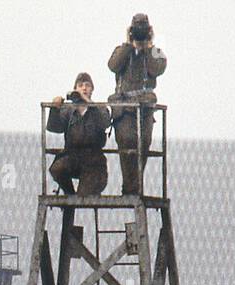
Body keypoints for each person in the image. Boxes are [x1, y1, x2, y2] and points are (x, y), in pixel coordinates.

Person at [108, 13, 167, 195]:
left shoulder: (155, 51)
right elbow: (113, 65)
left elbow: (158, 68)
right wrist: (128, 44)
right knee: (126, 143)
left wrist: (149, 46)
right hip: (124, 107)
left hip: (145, 107)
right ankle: (130, 186)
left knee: (144, 143)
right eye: (137, 28)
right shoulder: (121, 49)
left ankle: (134, 187)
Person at [46, 73, 111, 196]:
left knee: (83, 196)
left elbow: (105, 123)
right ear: (75, 89)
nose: (84, 88)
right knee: (57, 169)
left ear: (92, 89)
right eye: (80, 86)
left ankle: (79, 195)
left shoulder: (100, 108)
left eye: (87, 86)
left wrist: (89, 103)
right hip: (73, 156)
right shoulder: (69, 111)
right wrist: (54, 108)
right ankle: (69, 194)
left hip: (94, 162)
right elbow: (54, 128)